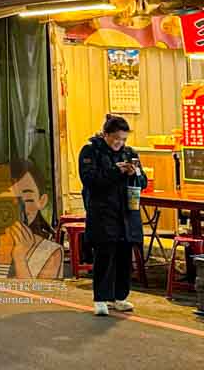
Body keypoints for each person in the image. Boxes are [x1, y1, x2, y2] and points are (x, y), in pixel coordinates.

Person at [79, 116, 147, 316]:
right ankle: (100, 299)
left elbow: (143, 182)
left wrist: (134, 174)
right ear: (106, 134)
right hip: (103, 211)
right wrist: (115, 171)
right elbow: (90, 180)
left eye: (124, 139)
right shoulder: (91, 151)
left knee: (125, 254)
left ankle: (120, 297)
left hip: (127, 212)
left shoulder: (130, 153)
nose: (120, 143)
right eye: (116, 138)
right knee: (105, 254)